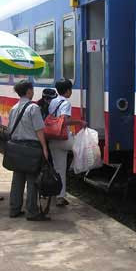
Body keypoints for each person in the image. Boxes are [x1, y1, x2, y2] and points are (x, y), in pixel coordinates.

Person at [8, 80, 50, 221]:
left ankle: (14, 209)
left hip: (17, 147)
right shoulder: (34, 108)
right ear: (28, 91)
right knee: (32, 180)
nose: (33, 92)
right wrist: (44, 148)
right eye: (32, 89)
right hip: (31, 148)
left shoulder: (13, 108)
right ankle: (32, 211)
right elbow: (39, 130)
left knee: (17, 179)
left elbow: (9, 129)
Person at [48, 79, 86, 207]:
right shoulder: (66, 103)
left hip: (52, 139)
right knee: (84, 147)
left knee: (59, 169)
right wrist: (79, 123)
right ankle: (79, 167)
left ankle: (59, 196)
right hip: (63, 139)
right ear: (68, 90)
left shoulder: (53, 101)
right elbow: (63, 121)